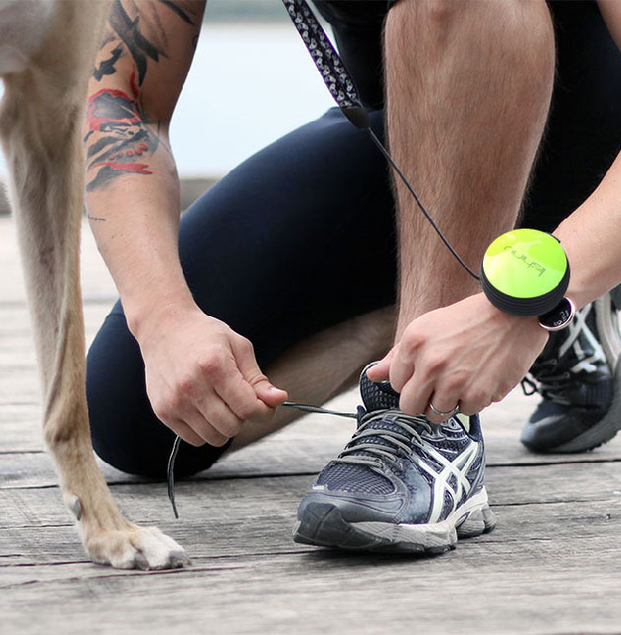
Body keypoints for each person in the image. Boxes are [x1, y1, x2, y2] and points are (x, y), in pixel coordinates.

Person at [84, 0, 621, 553]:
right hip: (411, 131)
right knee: (146, 420)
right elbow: (119, 96)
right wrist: (164, 317)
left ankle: (425, 419)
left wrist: (530, 299)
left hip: (587, 141)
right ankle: (476, 320)